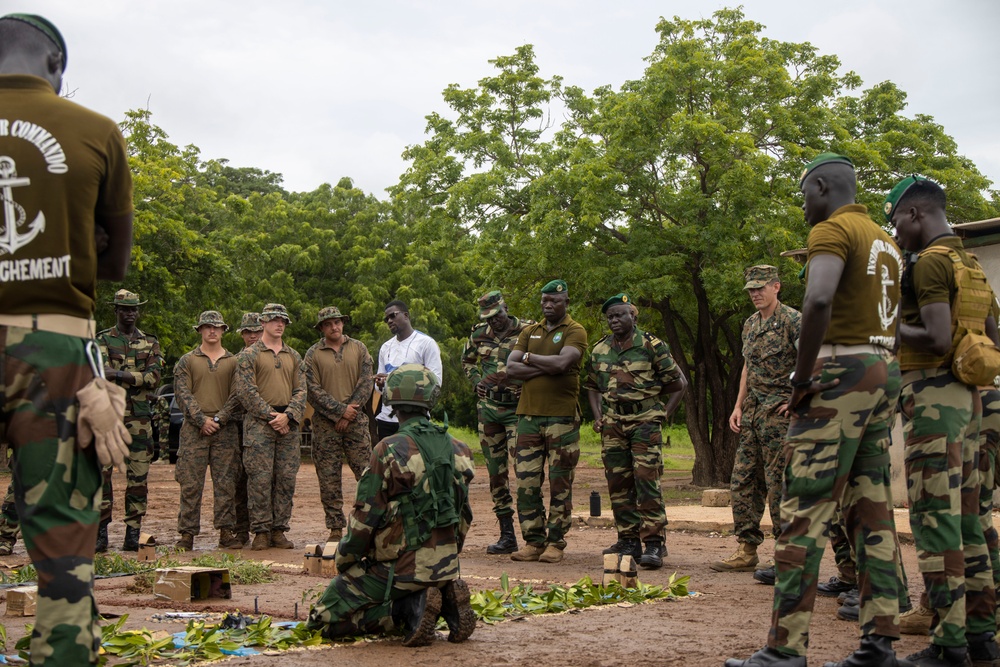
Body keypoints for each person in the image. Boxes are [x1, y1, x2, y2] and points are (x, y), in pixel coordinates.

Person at [725, 153, 908, 667]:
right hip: (881, 371)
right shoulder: (886, 240)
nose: (804, 204)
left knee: (802, 510)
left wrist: (803, 378)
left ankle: (785, 650)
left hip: (839, 374)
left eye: (805, 193)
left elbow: (819, 301)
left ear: (823, 187)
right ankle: (878, 644)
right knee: (873, 513)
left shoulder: (832, 232)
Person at [0, 12, 133, 665]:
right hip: (57, 347)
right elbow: (113, 264)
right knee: (60, 534)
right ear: (57, 67)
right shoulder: (97, 132)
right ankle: (63, 649)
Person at [887, 175, 1000, 666]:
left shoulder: (931, 262)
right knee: (970, 520)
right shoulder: (969, 265)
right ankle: (981, 637)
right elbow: (993, 337)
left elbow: (933, 337)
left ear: (915, 214)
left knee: (935, 519)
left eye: (896, 222)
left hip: (934, 397)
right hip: (972, 399)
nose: (895, 234)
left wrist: (883, 326)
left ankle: (948, 644)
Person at [306, 364, 476, 646]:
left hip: (400, 569)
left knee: (322, 620)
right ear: (431, 400)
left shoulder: (388, 449)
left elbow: (365, 519)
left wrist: (345, 560)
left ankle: (408, 611)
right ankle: (442, 600)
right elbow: (464, 515)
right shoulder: (460, 448)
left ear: (392, 402)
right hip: (447, 565)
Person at [585, 293, 687, 569]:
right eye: (610, 317)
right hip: (613, 424)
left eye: (620, 315)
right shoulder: (599, 350)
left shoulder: (652, 345)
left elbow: (678, 384)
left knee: (645, 479)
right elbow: (592, 386)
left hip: (644, 422)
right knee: (618, 483)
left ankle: (654, 543)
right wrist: (598, 417)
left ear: (633, 316)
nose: (615, 320)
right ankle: (629, 540)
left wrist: (662, 413)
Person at [712, 266, 800, 581]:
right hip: (751, 413)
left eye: (760, 288)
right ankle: (746, 550)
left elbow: (810, 363)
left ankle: (785, 556)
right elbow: (748, 367)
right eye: (750, 289)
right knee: (743, 482)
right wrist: (737, 406)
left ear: (777, 286)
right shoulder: (750, 324)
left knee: (779, 485)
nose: (754, 294)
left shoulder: (794, 321)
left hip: (780, 415)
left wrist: (798, 400)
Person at [505, 279, 588, 564]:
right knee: (526, 483)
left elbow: (563, 364)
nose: (548, 305)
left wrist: (529, 360)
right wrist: (543, 365)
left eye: (553, 301)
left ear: (566, 301)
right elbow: (511, 368)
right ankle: (533, 541)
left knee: (559, 482)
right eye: (544, 301)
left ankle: (556, 542)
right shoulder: (530, 331)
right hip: (527, 417)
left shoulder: (575, 330)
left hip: (561, 418)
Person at [460, 290, 532, 555]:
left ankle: (534, 536)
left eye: (498, 315)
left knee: (525, 471)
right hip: (489, 411)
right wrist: (476, 381)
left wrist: (531, 387)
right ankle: (507, 536)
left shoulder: (528, 330)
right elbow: (466, 360)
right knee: (496, 474)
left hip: (518, 410)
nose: (494, 322)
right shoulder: (479, 334)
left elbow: (542, 365)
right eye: (489, 318)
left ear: (506, 308)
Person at [235, 303, 306, 550]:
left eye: (283, 321)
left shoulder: (294, 356)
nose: (279, 324)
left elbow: (301, 390)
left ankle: (279, 530)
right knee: (260, 479)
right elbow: (245, 392)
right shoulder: (249, 355)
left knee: (286, 479)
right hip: (259, 424)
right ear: (262, 322)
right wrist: (272, 416)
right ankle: (261, 531)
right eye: (275, 319)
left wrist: (287, 416)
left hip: (288, 423)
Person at [96, 289, 163, 552]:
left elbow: (154, 378)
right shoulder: (101, 339)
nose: (130, 313)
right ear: (116, 310)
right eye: (125, 309)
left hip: (140, 420)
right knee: (101, 477)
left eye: (134, 309)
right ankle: (100, 534)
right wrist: (135, 376)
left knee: (138, 479)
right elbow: (99, 373)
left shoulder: (150, 342)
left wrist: (117, 373)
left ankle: (132, 533)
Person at [302, 306, 374, 543]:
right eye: (329, 323)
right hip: (325, 425)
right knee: (329, 477)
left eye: (338, 322)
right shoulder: (312, 354)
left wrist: (349, 412)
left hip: (356, 422)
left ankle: (370, 522)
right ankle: (335, 527)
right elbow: (312, 390)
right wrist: (339, 412)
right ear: (322, 328)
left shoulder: (359, 348)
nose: (335, 327)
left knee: (367, 474)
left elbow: (366, 382)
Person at [172, 311, 241, 550]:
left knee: (226, 483)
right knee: (190, 484)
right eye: (207, 326)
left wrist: (220, 419)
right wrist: (202, 420)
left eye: (217, 327)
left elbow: (237, 395)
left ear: (223, 330)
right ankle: (187, 534)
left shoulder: (234, 362)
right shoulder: (187, 361)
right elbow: (183, 394)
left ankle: (225, 532)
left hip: (225, 430)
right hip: (194, 430)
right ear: (199, 330)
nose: (212, 330)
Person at [374, 300, 443, 440]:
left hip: (415, 418)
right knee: (388, 461)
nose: (389, 321)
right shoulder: (385, 347)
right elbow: (377, 387)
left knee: (416, 461)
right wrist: (381, 383)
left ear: (406, 315)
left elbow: (436, 382)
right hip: (387, 419)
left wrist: (395, 381)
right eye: (386, 319)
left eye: (393, 316)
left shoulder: (426, 343)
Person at [230, 312, 263, 546]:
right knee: (238, 481)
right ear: (242, 334)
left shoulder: (276, 357)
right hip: (237, 426)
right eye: (248, 332)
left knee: (264, 481)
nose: (253, 336)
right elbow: (233, 394)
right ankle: (241, 530)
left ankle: (266, 530)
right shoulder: (235, 361)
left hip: (263, 426)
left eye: (257, 331)